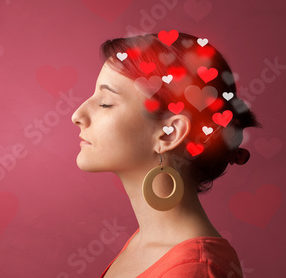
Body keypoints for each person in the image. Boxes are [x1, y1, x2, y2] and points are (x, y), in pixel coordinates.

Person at [71, 31, 260, 277]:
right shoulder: (144, 243)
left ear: (170, 134)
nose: (77, 115)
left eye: (106, 102)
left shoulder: (194, 270)